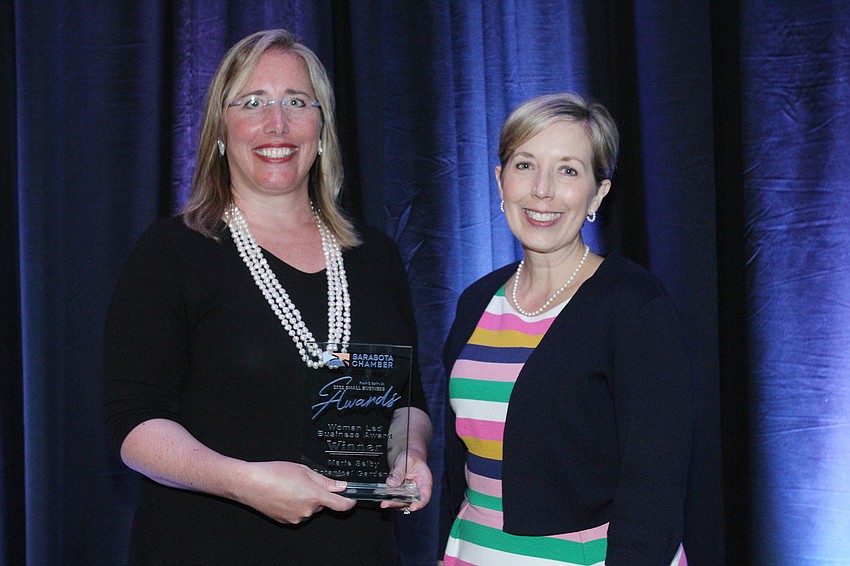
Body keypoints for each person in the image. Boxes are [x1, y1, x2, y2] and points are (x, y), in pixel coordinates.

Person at [105, 29, 432, 565]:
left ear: (322, 129)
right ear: (220, 131)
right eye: (253, 102)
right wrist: (244, 482)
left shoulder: (376, 256)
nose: (276, 123)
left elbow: (407, 401)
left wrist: (409, 452)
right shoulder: (172, 253)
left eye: (297, 102)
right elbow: (135, 425)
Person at [441, 93, 692, 565]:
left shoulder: (636, 306)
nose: (542, 190)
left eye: (568, 170)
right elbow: (458, 464)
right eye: (525, 165)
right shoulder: (476, 301)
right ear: (500, 180)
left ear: (598, 193)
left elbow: (654, 488)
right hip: (473, 551)